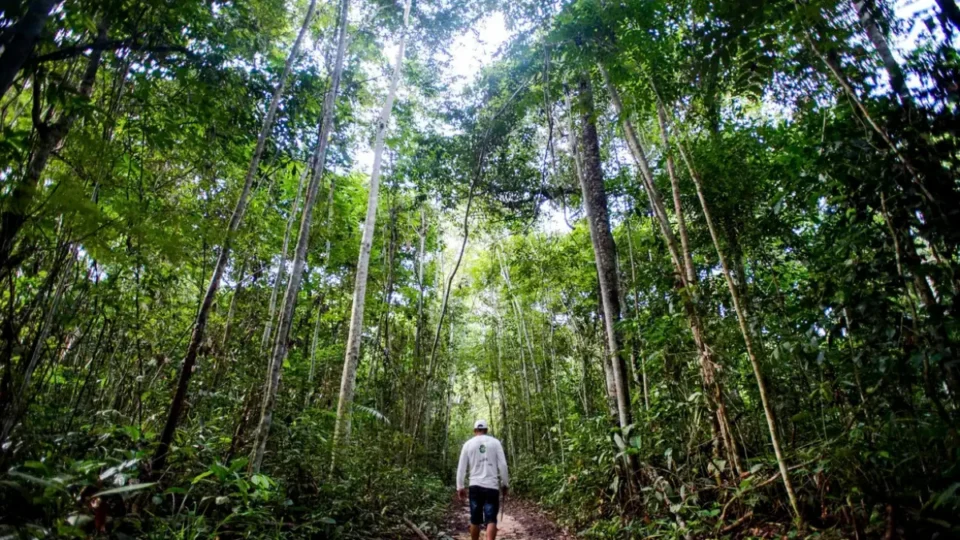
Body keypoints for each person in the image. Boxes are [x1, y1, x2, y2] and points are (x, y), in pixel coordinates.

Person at [456, 419, 509, 540]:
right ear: (486, 430)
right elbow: (503, 465)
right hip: (491, 486)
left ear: (475, 430)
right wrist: (505, 484)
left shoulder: (468, 444)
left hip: (475, 486)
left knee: (475, 520)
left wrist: (460, 486)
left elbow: (461, 467)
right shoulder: (495, 443)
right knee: (491, 519)